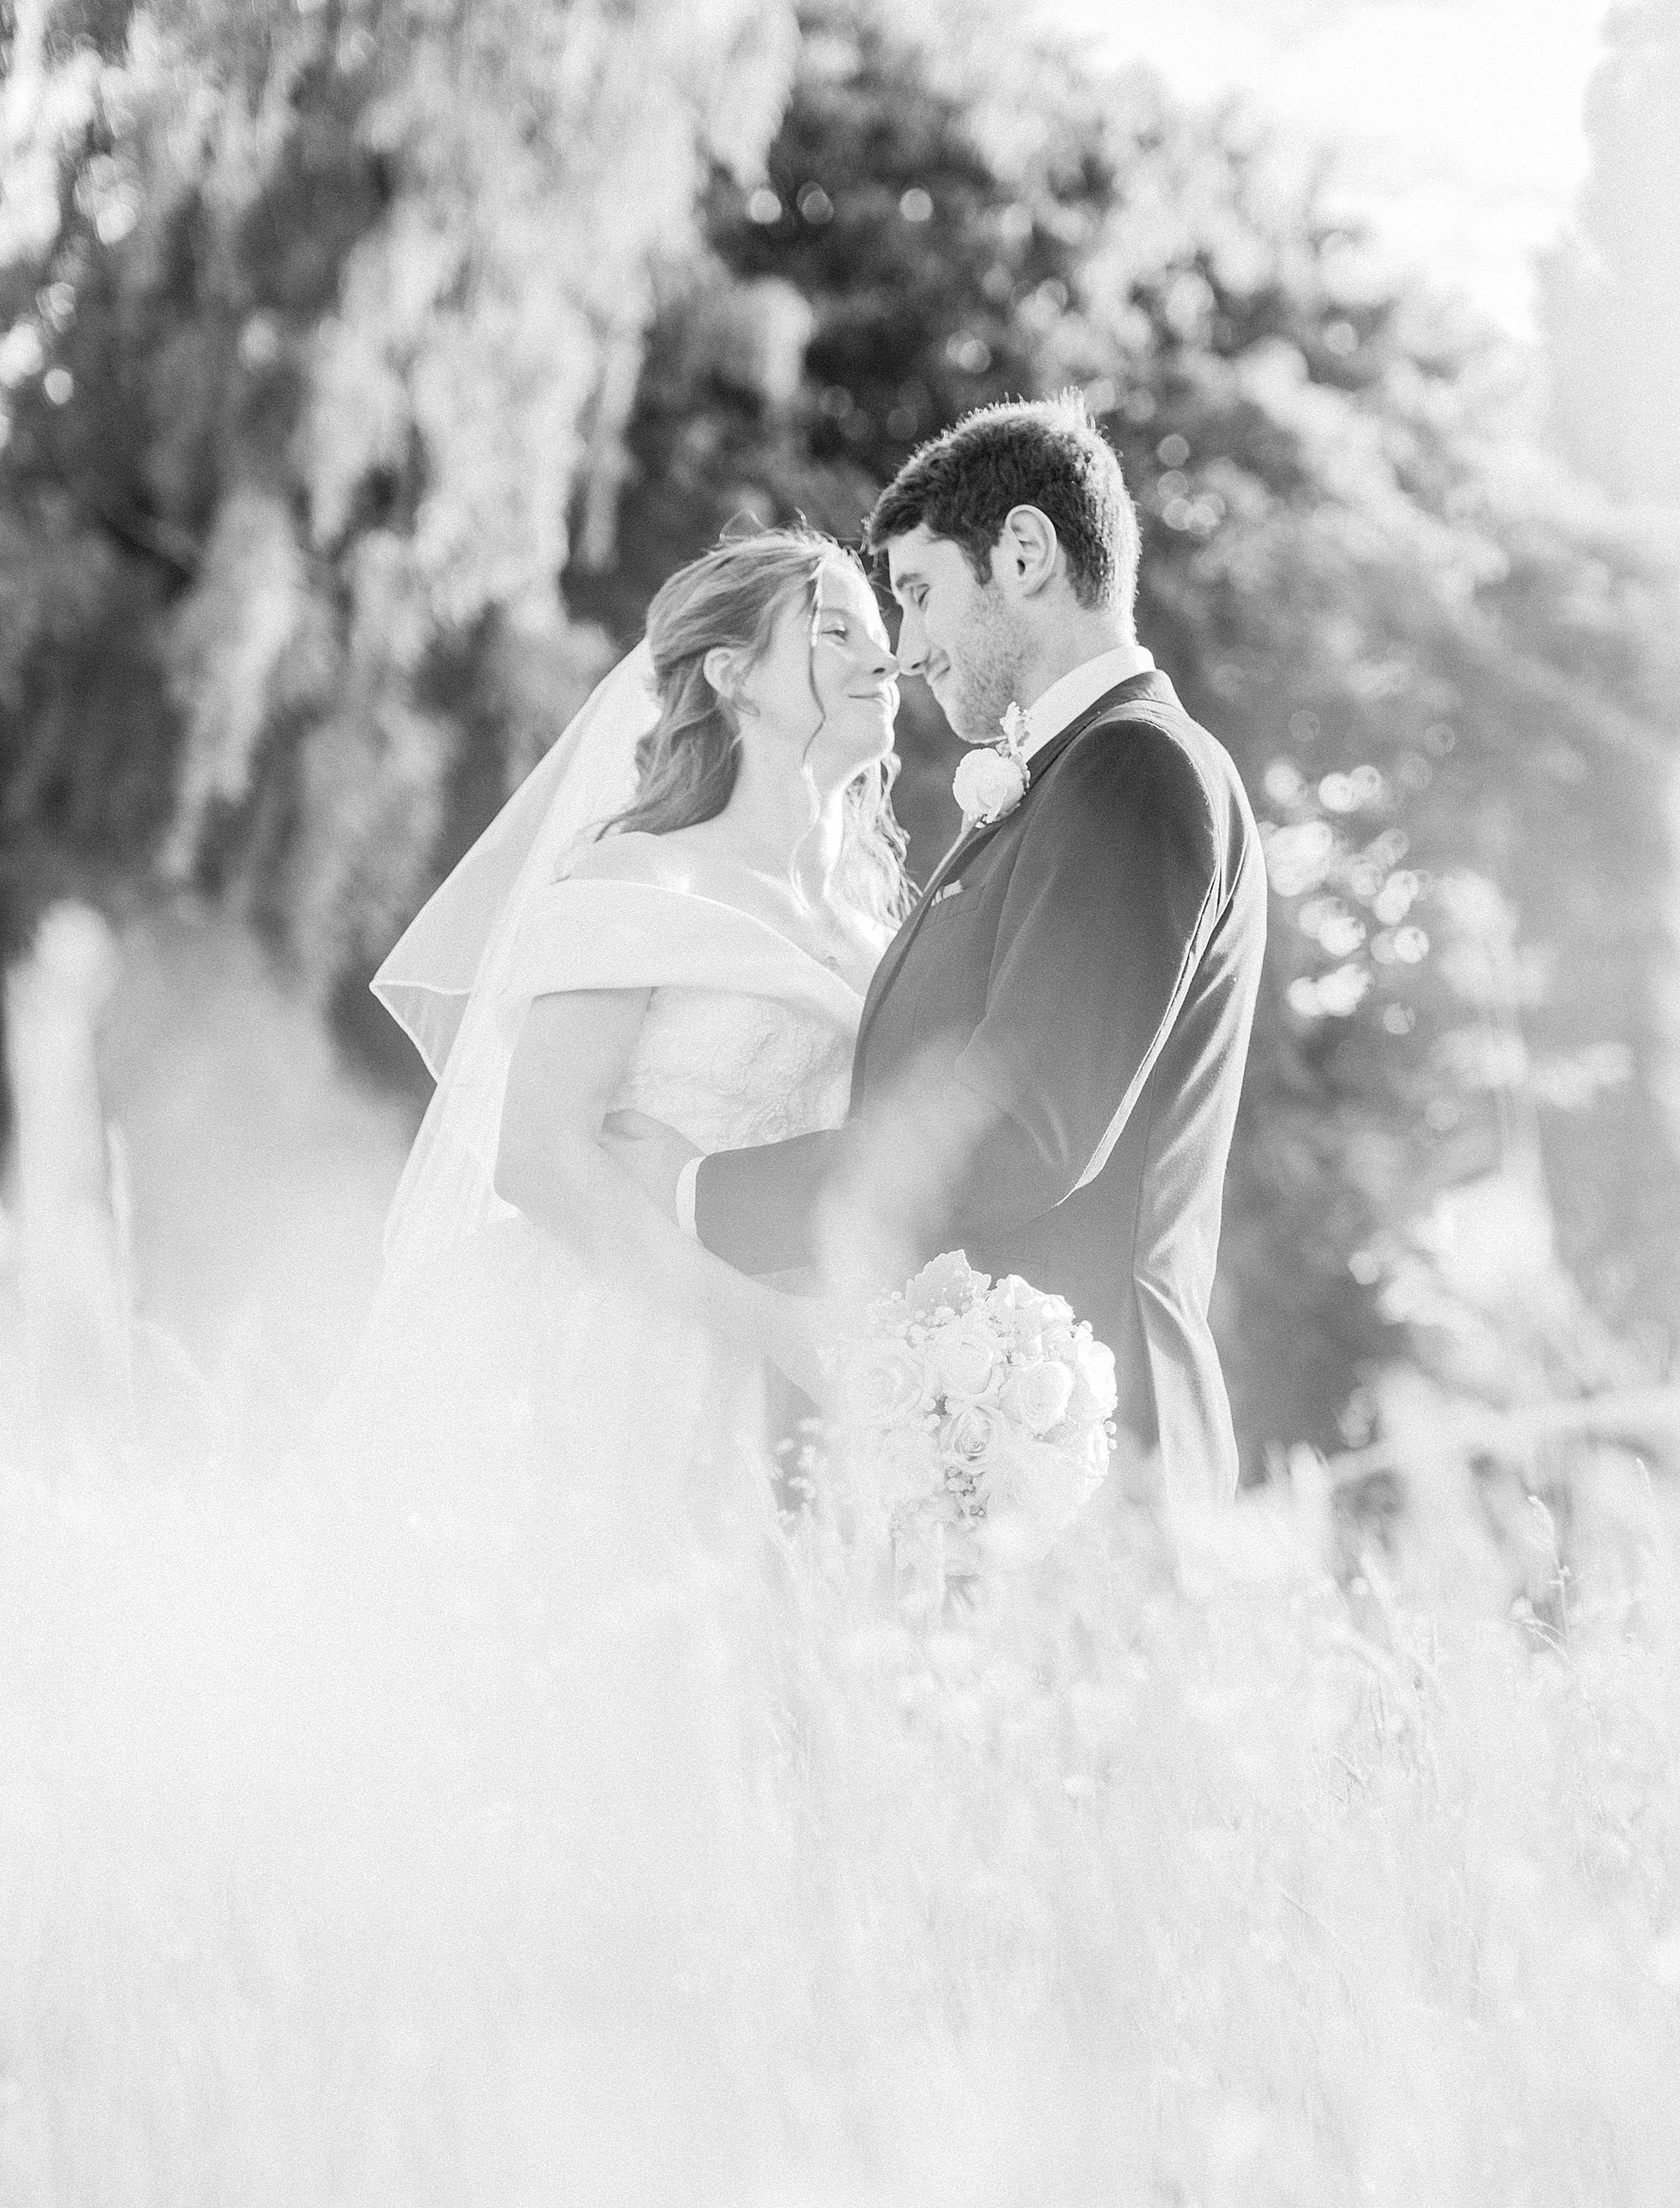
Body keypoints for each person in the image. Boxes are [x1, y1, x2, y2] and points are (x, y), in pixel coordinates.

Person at [613, 397, 1268, 1525]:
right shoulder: (1067, 780)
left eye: (918, 595)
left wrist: (696, 1188)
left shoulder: (1135, 771)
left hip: (1084, 1470)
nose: (905, 652)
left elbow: (1023, 1132)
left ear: (1022, 553)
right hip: (983, 1462)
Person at [320, 526, 903, 1570]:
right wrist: (770, 1326)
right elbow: (538, 1157)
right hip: (609, 1353)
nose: (883, 659)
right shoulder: (640, 877)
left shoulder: (882, 938)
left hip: (796, 1391)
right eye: (834, 633)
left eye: (882, 634)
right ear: (732, 675)